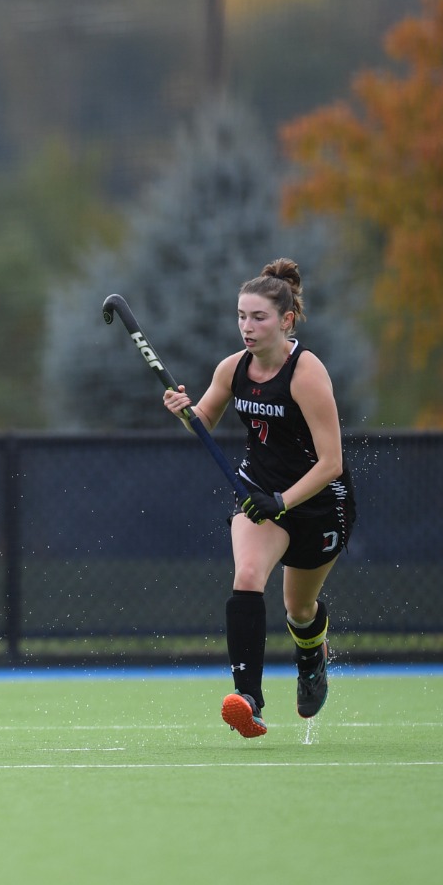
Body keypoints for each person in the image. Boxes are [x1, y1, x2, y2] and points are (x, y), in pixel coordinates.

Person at [161, 258, 355, 739]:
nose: (247, 327)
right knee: (247, 575)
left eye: (259, 317)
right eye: (242, 317)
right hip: (256, 495)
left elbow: (331, 462)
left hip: (316, 502)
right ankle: (248, 698)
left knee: (300, 610)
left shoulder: (306, 374)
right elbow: (202, 421)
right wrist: (184, 411)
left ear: (285, 320)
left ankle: (312, 657)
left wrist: (283, 501)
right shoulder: (233, 368)